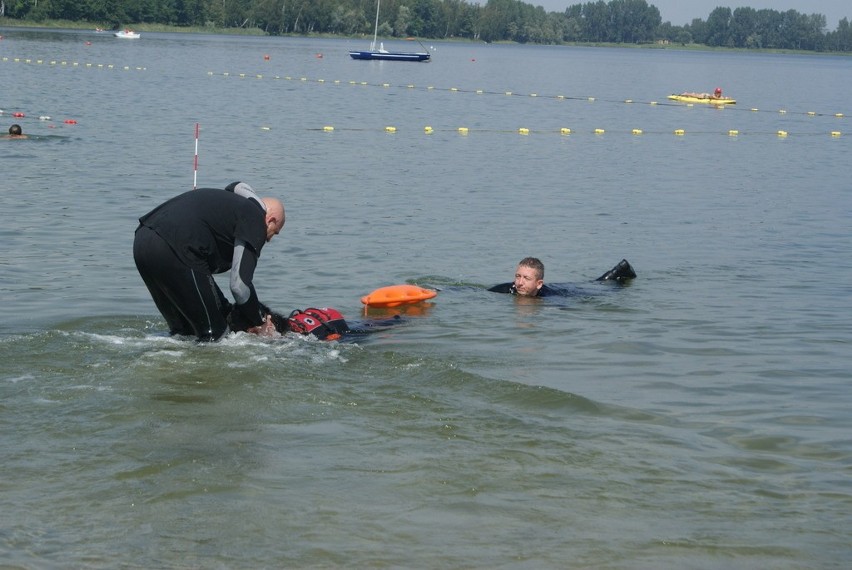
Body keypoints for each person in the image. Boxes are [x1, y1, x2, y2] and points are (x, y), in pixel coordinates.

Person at [133, 182, 284, 341]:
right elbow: (239, 286)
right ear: (271, 220)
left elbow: (236, 185)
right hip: (177, 247)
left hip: (143, 241)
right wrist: (259, 320)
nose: (268, 240)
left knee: (184, 333)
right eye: (274, 233)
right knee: (215, 334)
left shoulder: (242, 205)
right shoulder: (256, 218)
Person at [489, 257, 636, 298]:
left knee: (599, 287)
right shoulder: (510, 288)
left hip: (568, 291)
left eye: (526, 278)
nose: (519, 283)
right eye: (517, 276)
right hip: (559, 286)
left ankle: (620, 271)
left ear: (539, 284)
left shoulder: (551, 297)